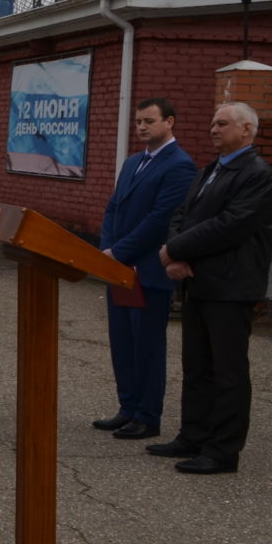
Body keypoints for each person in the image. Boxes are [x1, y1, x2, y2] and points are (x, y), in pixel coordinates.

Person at [151, 101, 272, 475]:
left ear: (247, 131)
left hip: (231, 287)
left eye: (222, 124)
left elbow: (230, 224)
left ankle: (222, 452)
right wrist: (174, 255)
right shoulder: (209, 170)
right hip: (198, 282)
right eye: (212, 123)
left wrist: (176, 248)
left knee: (228, 373)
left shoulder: (257, 174)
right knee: (197, 368)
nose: (213, 129)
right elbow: (182, 214)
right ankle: (192, 436)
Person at [93, 98, 198, 439]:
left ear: (170, 122)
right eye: (138, 121)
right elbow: (113, 208)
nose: (141, 127)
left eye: (149, 121)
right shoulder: (133, 162)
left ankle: (147, 416)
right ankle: (127, 408)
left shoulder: (179, 165)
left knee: (147, 346)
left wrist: (119, 252)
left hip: (148, 272)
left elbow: (160, 220)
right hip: (120, 269)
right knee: (122, 342)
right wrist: (105, 250)